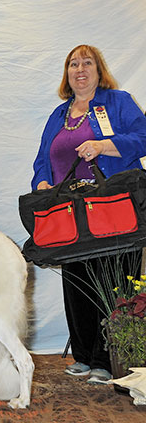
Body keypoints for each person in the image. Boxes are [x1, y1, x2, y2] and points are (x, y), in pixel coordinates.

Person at [31, 44, 146, 384]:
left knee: (112, 280)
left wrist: (103, 146)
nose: (80, 69)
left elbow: (143, 136)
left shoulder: (118, 101)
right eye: (73, 64)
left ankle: (107, 360)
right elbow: (42, 160)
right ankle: (84, 355)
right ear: (67, 74)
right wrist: (41, 185)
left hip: (114, 208)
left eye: (87, 63)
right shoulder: (58, 114)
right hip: (71, 211)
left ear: (99, 70)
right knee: (78, 281)